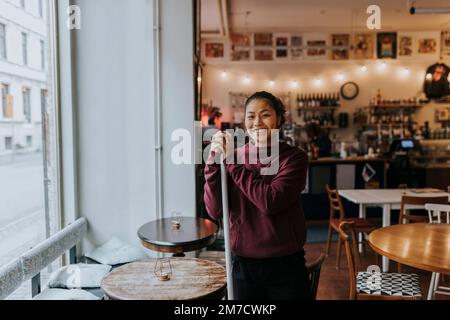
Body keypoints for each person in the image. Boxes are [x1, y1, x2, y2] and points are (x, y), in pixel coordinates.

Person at [203, 91, 311, 300]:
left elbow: (270, 202)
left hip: (285, 267)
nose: (257, 122)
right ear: (244, 122)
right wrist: (213, 164)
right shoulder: (234, 156)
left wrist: (232, 163)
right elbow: (215, 210)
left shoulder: (294, 158)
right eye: (251, 116)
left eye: (265, 115)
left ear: (279, 119)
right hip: (243, 267)